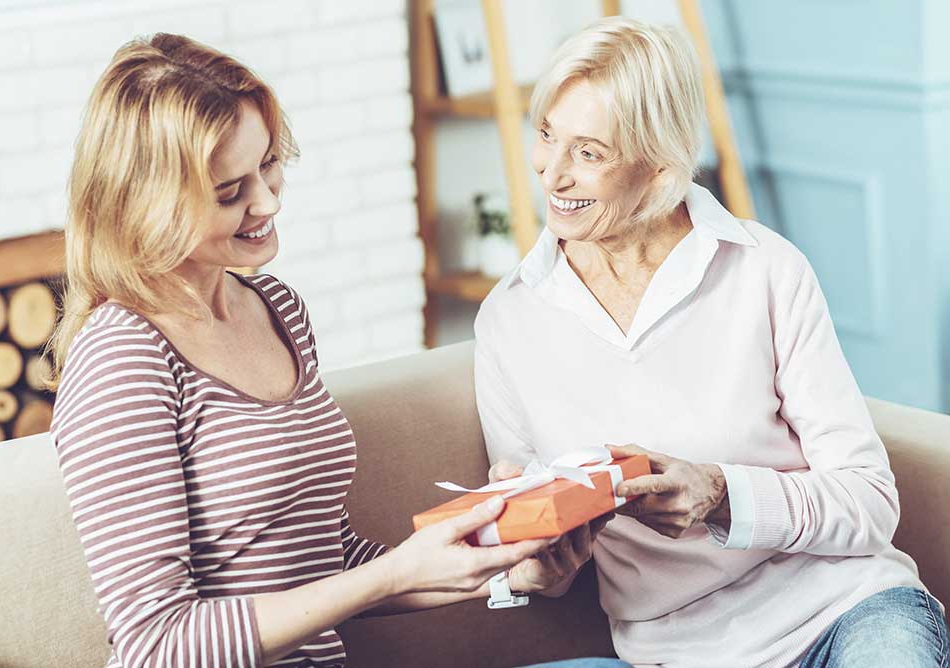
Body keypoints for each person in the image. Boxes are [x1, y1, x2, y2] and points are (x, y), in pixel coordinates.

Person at [47, 33, 624, 668]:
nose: (266, 202)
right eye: (227, 192)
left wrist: (500, 569)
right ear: (146, 203)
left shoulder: (277, 308)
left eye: (268, 164)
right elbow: (156, 642)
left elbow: (324, 560)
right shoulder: (121, 358)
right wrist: (394, 574)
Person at [475, 16, 948, 668]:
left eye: (588, 153)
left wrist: (722, 495)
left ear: (660, 165)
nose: (550, 176)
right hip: (679, 652)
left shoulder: (765, 271)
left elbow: (869, 500)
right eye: (548, 136)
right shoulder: (509, 321)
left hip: (846, 610)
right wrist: (529, 563)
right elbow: (547, 573)